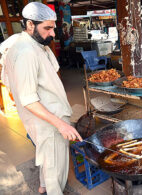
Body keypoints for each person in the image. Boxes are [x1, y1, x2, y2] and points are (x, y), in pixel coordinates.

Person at [4, 2, 82, 195]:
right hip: (48, 121)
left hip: (49, 117)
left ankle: (43, 186)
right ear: (30, 25)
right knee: (55, 164)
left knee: (47, 158)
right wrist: (62, 125)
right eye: (47, 28)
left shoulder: (31, 43)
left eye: (53, 27)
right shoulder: (26, 52)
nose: (53, 33)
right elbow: (28, 99)